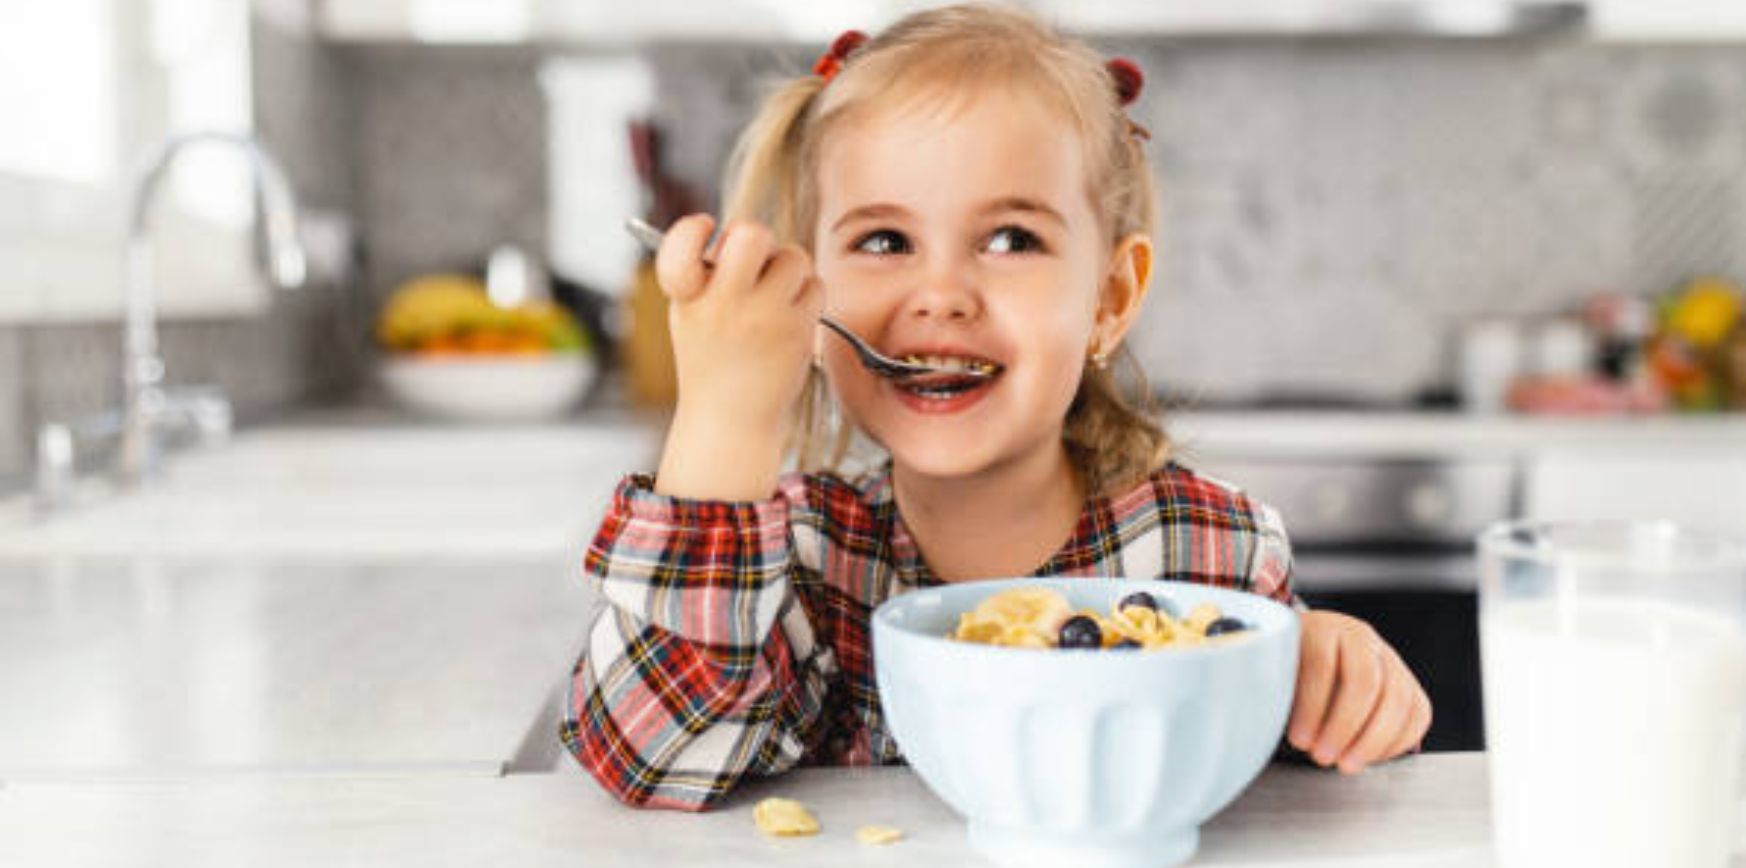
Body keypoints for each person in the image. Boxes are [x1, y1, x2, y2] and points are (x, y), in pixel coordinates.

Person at [561, 4, 1431, 811]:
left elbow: (1300, 782)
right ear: (810, 297)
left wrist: (1330, 677)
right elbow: (654, 755)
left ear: (1109, 296)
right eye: (884, 240)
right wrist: (724, 418)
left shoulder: (1209, 553)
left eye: (1011, 239)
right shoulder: (794, 565)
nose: (941, 294)